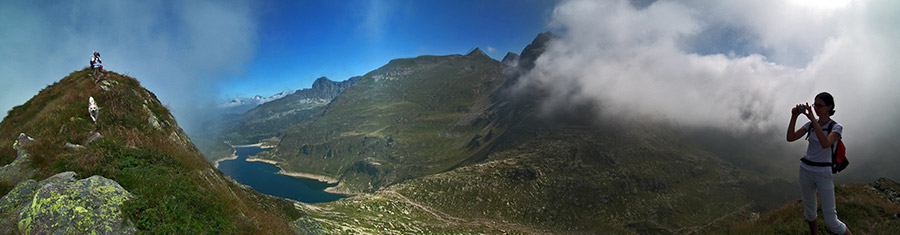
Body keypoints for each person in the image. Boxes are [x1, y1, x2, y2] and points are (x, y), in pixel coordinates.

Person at [785, 92, 851, 235]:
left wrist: (813, 120)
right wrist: (794, 116)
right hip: (805, 169)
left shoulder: (836, 127)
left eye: (820, 106)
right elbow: (790, 137)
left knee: (832, 221)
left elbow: (825, 143)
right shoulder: (810, 124)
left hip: (823, 172)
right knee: (809, 210)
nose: (815, 108)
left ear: (829, 107)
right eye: (814, 105)